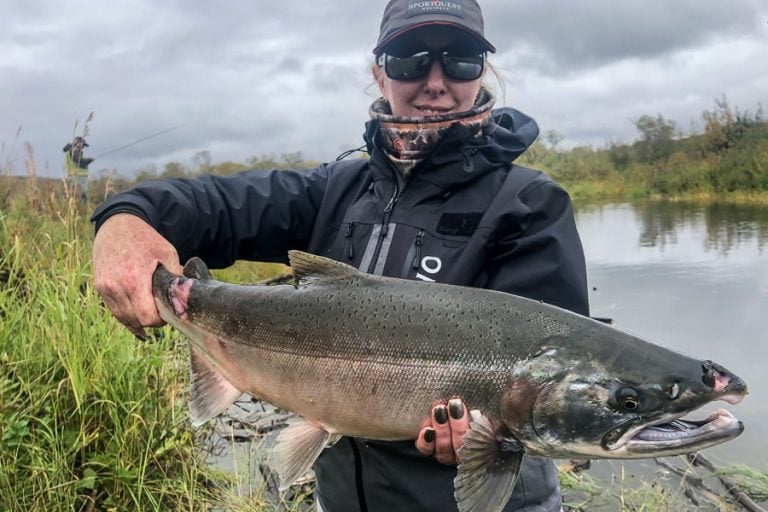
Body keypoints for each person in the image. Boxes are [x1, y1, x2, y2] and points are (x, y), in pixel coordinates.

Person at [91, 0, 588, 510]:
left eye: (459, 58)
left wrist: (492, 437)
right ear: (379, 72)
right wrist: (124, 219)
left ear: (482, 69)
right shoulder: (336, 188)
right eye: (411, 59)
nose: (436, 81)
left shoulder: (529, 204)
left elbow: (551, 378)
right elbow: (211, 206)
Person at [63, 136, 94, 201]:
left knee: (75, 196)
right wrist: (89, 160)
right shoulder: (74, 151)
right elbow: (79, 161)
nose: (83, 147)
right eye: (83, 145)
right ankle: (83, 210)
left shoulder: (70, 151)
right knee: (82, 197)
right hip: (78, 177)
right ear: (78, 143)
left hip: (73, 176)